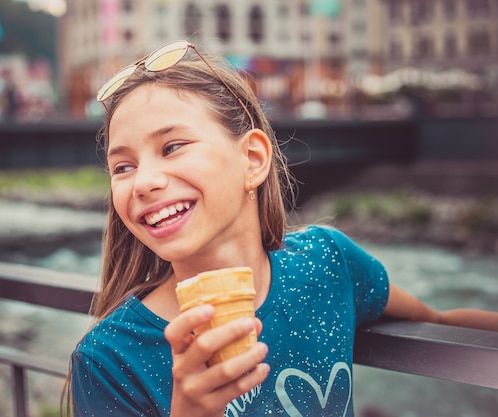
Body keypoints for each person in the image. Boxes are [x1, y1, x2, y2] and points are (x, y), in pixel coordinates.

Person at [68, 40, 498, 417]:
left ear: (252, 159)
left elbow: (438, 319)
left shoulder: (328, 261)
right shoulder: (109, 359)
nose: (143, 181)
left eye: (172, 146)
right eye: (123, 166)